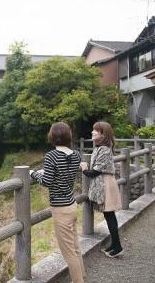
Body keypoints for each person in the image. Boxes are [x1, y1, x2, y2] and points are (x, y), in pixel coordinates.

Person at [30, 122, 85, 283]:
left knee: (68, 252)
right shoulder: (76, 155)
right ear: (68, 136)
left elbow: (46, 182)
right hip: (72, 204)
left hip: (60, 209)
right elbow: (64, 171)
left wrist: (33, 173)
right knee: (75, 246)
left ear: (52, 137)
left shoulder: (51, 156)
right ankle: (82, 275)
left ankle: (78, 281)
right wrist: (46, 172)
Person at [80, 121, 123, 258]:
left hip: (106, 185)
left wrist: (84, 168)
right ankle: (115, 245)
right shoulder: (100, 148)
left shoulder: (104, 149)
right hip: (104, 183)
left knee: (110, 216)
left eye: (95, 131)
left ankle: (118, 247)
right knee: (108, 215)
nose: (92, 132)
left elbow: (93, 173)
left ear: (103, 134)